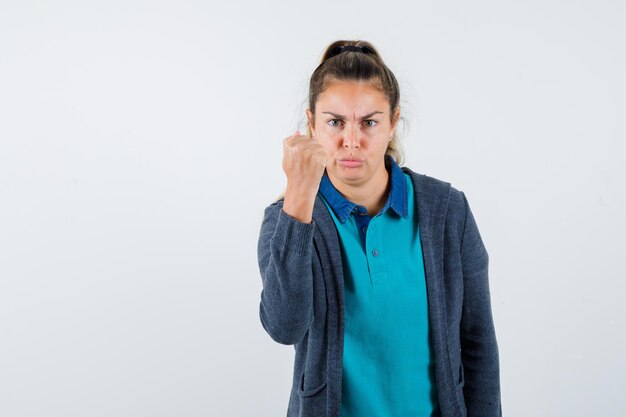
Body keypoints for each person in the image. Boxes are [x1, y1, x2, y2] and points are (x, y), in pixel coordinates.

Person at [257, 40, 502, 417]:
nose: (351, 141)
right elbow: (284, 326)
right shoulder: (288, 219)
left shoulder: (447, 212)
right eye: (335, 122)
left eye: (369, 122)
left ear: (392, 123)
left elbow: (478, 344)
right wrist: (299, 199)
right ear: (312, 124)